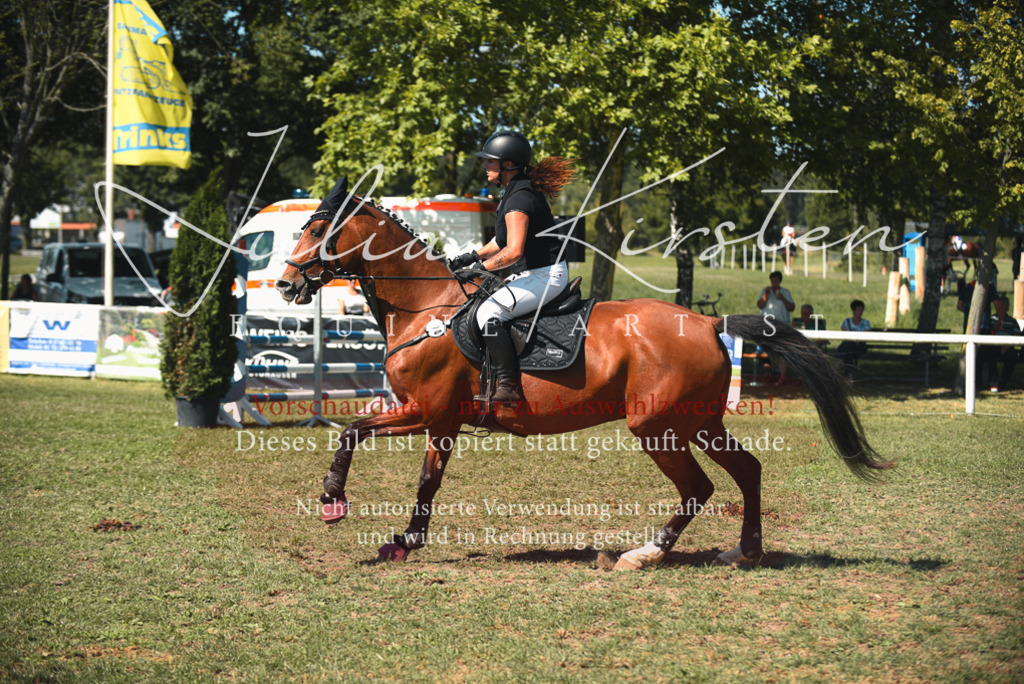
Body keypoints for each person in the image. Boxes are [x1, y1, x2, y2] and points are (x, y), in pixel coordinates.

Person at [447, 131, 576, 404]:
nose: (485, 166)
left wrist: (479, 269)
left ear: (508, 164)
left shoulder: (519, 199)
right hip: (533, 274)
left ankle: (509, 385)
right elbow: (499, 241)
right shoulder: (515, 191)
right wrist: (469, 257)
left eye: (490, 161)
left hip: (544, 276)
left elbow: (514, 251)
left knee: (488, 314)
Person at [755, 271, 795, 383]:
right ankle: (769, 370)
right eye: (772, 281)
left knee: (783, 350)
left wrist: (782, 298)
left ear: (780, 281)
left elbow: (792, 307)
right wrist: (766, 294)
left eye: (776, 280)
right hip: (767, 325)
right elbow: (760, 305)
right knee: (767, 346)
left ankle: (782, 376)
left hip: (782, 325)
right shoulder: (765, 291)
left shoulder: (785, 292)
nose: (774, 283)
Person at [982, 296, 1020, 392]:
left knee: (1013, 355)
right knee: (988, 353)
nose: (1002, 306)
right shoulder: (991, 320)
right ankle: (993, 383)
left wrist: (1007, 346)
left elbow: (1017, 335)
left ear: (1008, 307)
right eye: (1000, 304)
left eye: (1004, 304)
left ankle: (1004, 381)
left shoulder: (1012, 321)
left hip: (1007, 347)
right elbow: (987, 333)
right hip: (993, 346)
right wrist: (994, 329)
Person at [838, 299, 871, 378]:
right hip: (849, 345)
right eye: (858, 310)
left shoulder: (866, 323)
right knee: (848, 348)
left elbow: (866, 335)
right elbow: (844, 335)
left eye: (862, 310)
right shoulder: (847, 322)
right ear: (853, 310)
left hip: (859, 346)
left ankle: (842, 364)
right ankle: (849, 374)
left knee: (847, 349)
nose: (860, 312)